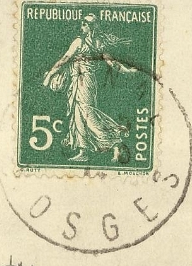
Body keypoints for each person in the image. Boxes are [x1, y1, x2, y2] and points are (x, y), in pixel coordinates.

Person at [42, 14, 137, 163]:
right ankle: (83, 150)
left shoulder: (93, 43)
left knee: (87, 113)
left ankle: (114, 139)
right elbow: (65, 59)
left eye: (85, 23)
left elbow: (111, 63)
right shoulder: (84, 42)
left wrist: (127, 71)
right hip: (77, 81)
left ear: (90, 26)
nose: (82, 25)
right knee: (78, 115)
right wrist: (51, 74)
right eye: (83, 22)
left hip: (85, 82)